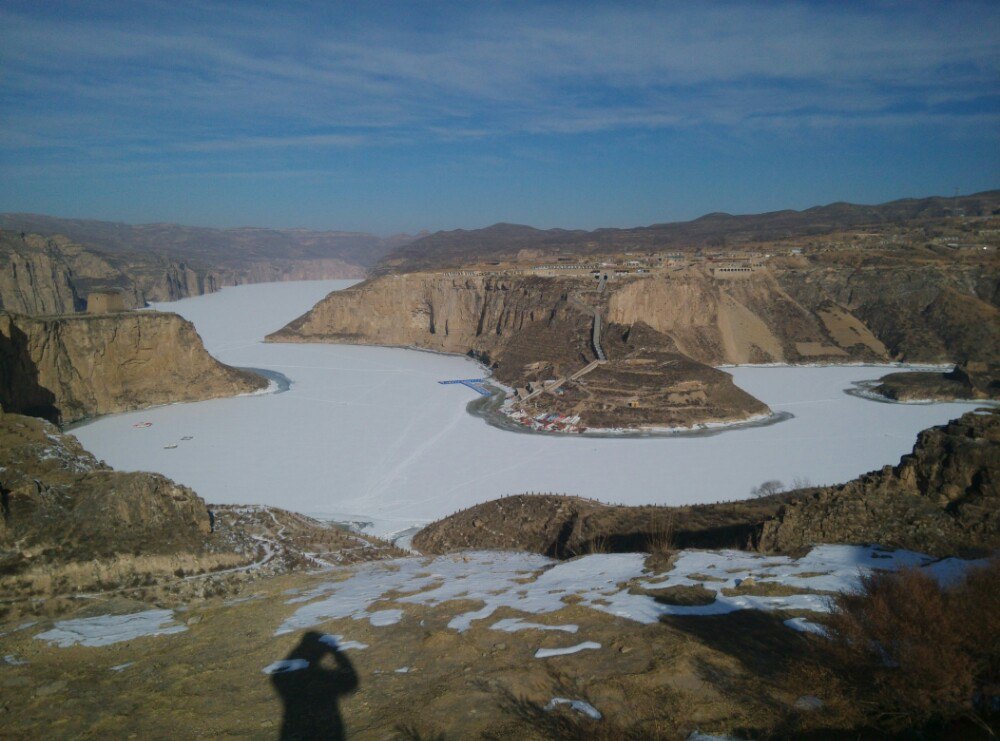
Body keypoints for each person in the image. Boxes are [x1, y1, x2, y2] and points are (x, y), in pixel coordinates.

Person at [271, 631, 359, 740]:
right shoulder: (326, 678)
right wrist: (336, 651)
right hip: (327, 733)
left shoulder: (290, 678)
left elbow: (277, 678)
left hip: (296, 732)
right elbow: (351, 680)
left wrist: (299, 651)